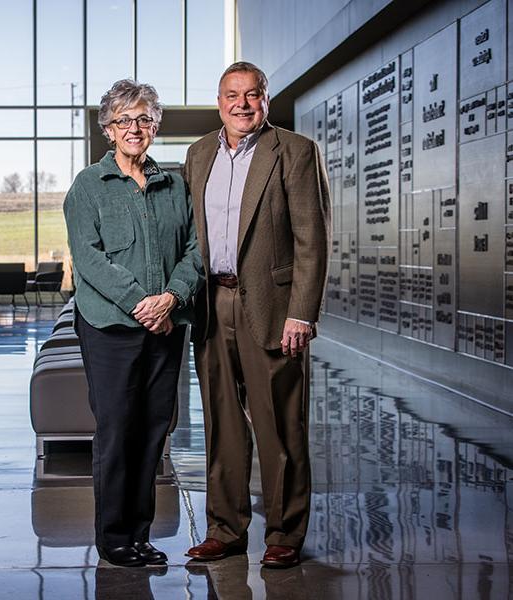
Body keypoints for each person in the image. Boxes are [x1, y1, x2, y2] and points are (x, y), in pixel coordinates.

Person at [184, 62, 330, 568]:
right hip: (211, 302)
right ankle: (225, 529)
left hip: (272, 307)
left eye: (252, 95)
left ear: (265, 100)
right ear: (218, 100)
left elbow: (313, 240)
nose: (242, 104)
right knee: (222, 424)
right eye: (232, 95)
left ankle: (284, 534)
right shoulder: (198, 153)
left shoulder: (294, 151)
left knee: (280, 425)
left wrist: (302, 313)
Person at [63, 79, 203, 567]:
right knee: (119, 430)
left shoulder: (175, 186)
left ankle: (141, 532)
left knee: (153, 430)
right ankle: (115, 537)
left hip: (166, 326)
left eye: (144, 119)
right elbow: (90, 259)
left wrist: (171, 298)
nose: (135, 128)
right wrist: (143, 303)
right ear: (108, 129)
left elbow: (195, 251)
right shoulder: (88, 187)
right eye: (124, 120)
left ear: (155, 125)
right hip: (110, 328)